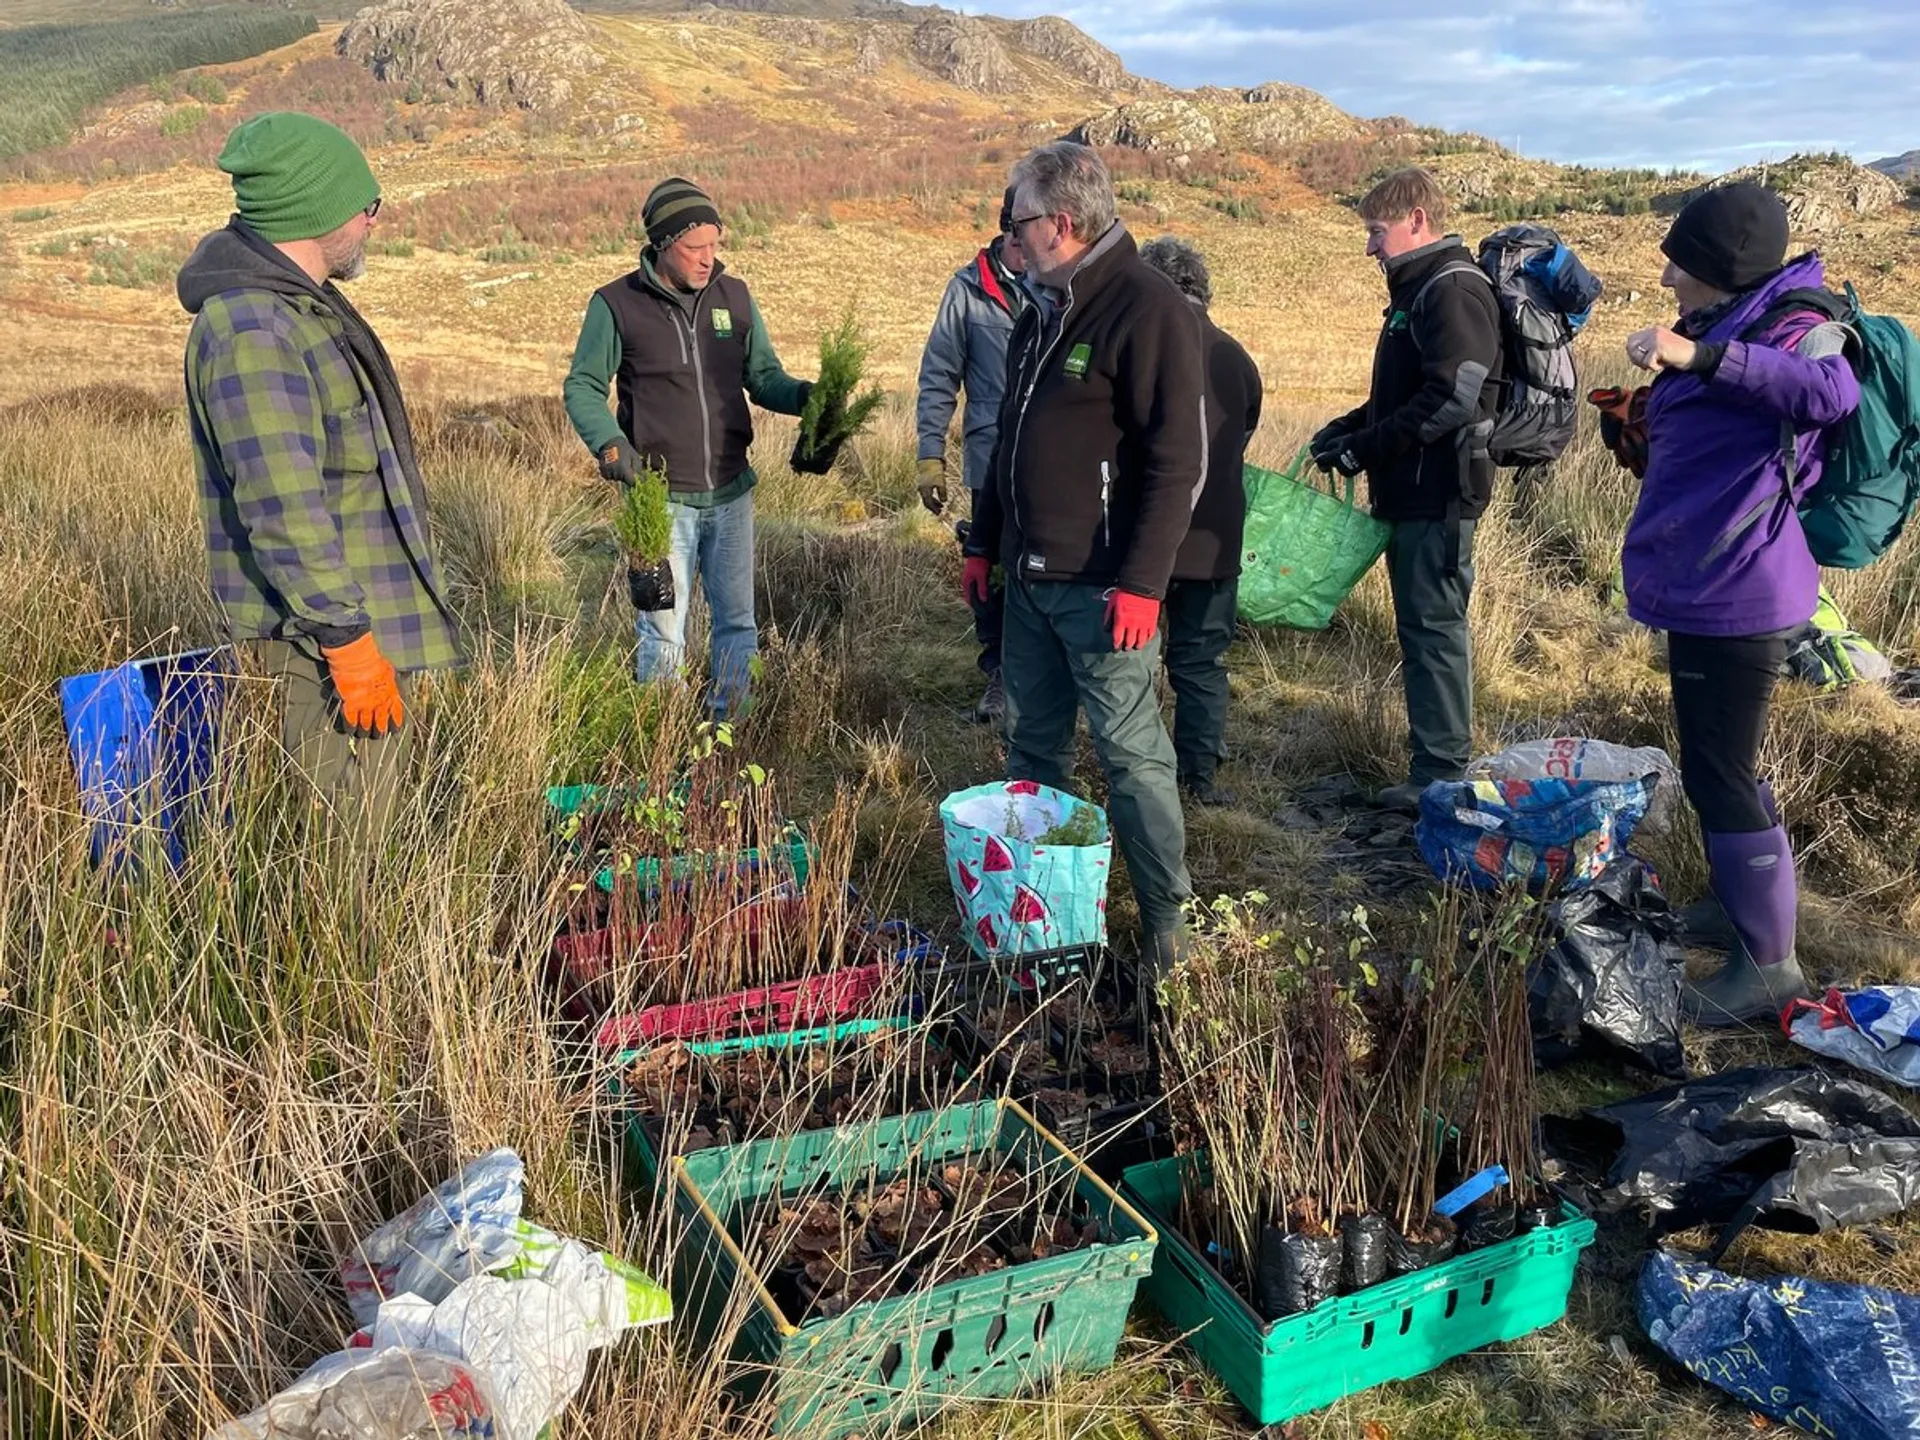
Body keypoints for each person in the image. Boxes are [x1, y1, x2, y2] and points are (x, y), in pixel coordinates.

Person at [179, 111, 460, 836]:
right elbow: (283, 505)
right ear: (315, 208)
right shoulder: (255, 330)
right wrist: (348, 642)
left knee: (366, 831)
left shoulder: (297, 307)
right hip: (316, 648)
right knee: (347, 859)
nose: (373, 221)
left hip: (340, 630)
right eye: (366, 205)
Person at [966, 141, 1207, 976]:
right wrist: (982, 543)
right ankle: (1045, 912)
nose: (1009, 236)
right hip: (1030, 580)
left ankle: (1168, 928)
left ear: (1061, 223)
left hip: (1104, 589)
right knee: (1032, 751)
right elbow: (1010, 443)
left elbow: (1180, 462)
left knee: (1131, 755)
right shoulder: (1042, 308)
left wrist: (1142, 583)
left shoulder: (1147, 310)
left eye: (1018, 220)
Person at [1621, 181, 1859, 1024]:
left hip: (1741, 589)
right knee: (1719, 769)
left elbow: (1829, 394)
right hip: (1711, 579)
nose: (1666, 275)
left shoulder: (1794, 326)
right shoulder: (1731, 320)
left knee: (1721, 774)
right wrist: (1642, 422)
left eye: (1678, 258)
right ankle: (1740, 910)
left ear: (1719, 264)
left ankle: (1770, 967)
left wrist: (1697, 360)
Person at [563, 177, 812, 718]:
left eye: (714, 245)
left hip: (731, 491)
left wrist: (811, 399)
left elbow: (764, 378)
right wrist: (609, 446)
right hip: (659, 498)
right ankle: (664, 738)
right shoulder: (615, 305)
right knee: (663, 629)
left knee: (737, 623)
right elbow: (583, 386)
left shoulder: (735, 298)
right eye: (694, 248)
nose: (707, 259)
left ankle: (731, 732)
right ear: (660, 243)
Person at [1309, 167, 1503, 812]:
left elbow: (1454, 395)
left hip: (1440, 492)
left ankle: (1442, 775)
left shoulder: (1450, 290)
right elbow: (1412, 393)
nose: (1371, 246)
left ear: (1417, 218)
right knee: (1424, 627)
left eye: (1377, 230)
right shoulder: (1420, 290)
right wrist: (1349, 427)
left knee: (1434, 629)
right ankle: (1435, 766)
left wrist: (1366, 447)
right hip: (1417, 490)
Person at [1137, 235, 1263, 808]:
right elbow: (1245, 431)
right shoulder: (1237, 358)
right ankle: (1199, 775)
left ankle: (1141, 773)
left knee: (1130, 661)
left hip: (1147, 538)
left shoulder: (1140, 344)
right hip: (1216, 541)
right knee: (1202, 661)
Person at [915, 186, 1027, 723]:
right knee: (990, 563)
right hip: (989, 456)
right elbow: (939, 375)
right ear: (1007, 231)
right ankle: (999, 676)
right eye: (1022, 235)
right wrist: (929, 454)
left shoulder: (1063, 284)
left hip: (1051, 463)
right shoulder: (966, 290)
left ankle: (1040, 674)